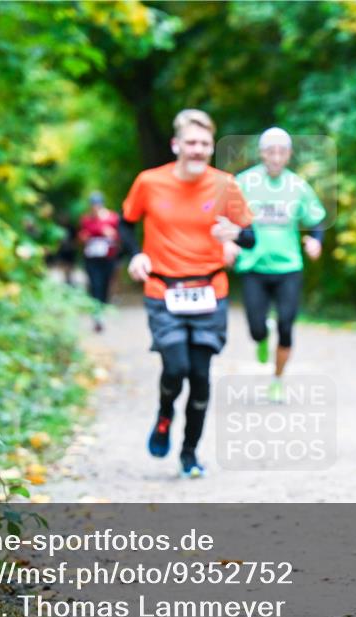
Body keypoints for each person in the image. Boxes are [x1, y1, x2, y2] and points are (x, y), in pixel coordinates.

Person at [119, 109, 254, 478]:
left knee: (200, 376)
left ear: (212, 147)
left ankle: (189, 454)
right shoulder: (149, 182)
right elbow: (126, 224)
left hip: (210, 288)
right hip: (163, 288)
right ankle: (165, 414)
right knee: (175, 368)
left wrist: (234, 241)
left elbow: (249, 235)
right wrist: (137, 254)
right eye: (191, 143)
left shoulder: (226, 185)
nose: (197, 150)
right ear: (176, 144)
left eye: (205, 144)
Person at [224, 128, 326, 401]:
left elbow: (316, 218)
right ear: (262, 152)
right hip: (253, 266)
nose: (276, 157)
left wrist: (316, 241)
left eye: (282, 151)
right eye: (271, 151)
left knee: (286, 325)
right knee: (257, 327)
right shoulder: (244, 182)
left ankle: (278, 380)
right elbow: (226, 217)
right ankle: (261, 338)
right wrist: (229, 243)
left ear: (289, 154)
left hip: (288, 267)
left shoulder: (297, 186)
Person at [78, 191, 120, 332]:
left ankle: (102, 307)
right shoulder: (86, 220)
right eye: (93, 205)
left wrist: (111, 234)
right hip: (92, 259)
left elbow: (120, 236)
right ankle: (97, 315)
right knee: (95, 285)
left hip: (108, 258)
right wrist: (85, 237)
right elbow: (82, 235)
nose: (95, 207)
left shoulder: (112, 218)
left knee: (105, 285)